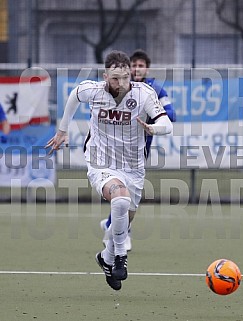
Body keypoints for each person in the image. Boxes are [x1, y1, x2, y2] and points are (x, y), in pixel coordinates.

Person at [45, 50, 172, 291]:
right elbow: (74, 96)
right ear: (105, 76)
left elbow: (166, 122)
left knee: (125, 216)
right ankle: (121, 257)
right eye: (115, 78)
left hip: (134, 166)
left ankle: (106, 256)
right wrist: (62, 130)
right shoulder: (92, 90)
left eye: (125, 77)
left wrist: (154, 129)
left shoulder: (144, 94)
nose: (121, 83)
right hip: (100, 161)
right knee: (121, 201)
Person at [100, 49, 176, 251]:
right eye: (134, 65)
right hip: (116, 150)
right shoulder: (119, 87)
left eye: (141, 65)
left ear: (147, 68)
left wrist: (152, 119)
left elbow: (171, 114)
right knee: (121, 192)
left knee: (130, 195)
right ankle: (119, 235)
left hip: (140, 148)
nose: (137, 68)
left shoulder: (155, 90)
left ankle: (112, 226)